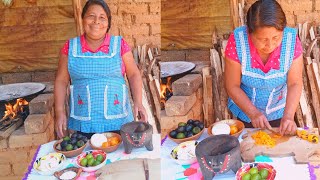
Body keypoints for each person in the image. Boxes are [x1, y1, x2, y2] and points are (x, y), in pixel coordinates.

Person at [54, 0, 147, 139]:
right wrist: (59, 111)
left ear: (108, 23)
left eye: (102, 17)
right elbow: (61, 80)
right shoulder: (70, 47)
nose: (96, 21)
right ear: (83, 18)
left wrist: (139, 103)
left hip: (118, 121)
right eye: (91, 16)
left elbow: (133, 74)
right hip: (84, 124)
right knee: (88, 157)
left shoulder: (119, 44)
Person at [224, 0, 303, 136]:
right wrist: (253, 113)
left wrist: (288, 117)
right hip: (246, 113)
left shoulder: (291, 40)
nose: (270, 45)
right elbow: (232, 85)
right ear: (249, 32)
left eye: (276, 37)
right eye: (263, 39)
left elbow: (294, 83)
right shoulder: (238, 41)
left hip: (280, 111)